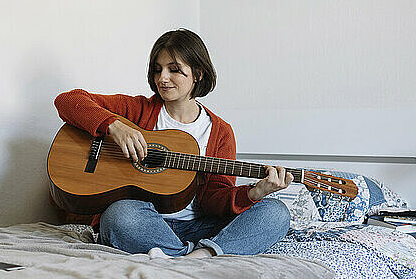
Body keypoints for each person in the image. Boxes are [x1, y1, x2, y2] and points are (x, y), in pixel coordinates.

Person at [53, 28, 293, 258]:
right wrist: (115, 127)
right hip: (143, 221)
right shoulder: (138, 110)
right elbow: (68, 100)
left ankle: (189, 255)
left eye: (174, 69)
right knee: (118, 214)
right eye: (158, 70)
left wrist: (255, 192)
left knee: (276, 212)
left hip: (199, 226)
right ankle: (200, 256)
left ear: (198, 74)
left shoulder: (220, 132)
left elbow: (214, 200)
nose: (162, 78)